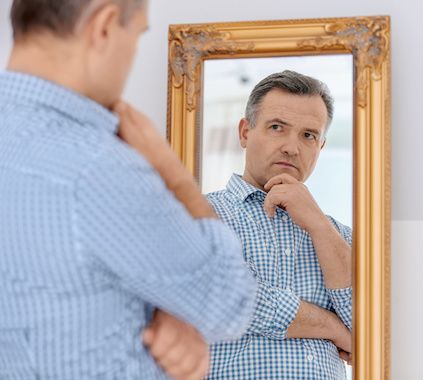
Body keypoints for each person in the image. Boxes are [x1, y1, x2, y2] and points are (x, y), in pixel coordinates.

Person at [0, 1, 256, 379]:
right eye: (137, 34)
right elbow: (229, 303)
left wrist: (166, 306)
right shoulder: (98, 166)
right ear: (103, 25)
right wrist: (173, 173)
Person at [205, 70, 353, 380]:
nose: (291, 147)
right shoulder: (199, 213)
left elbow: (369, 327)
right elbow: (231, 296)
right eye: (277, 127)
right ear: (245, 132)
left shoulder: (340, 237)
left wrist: (318, 225)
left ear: (321, 147)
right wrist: (332, 328)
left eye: (308, 135)